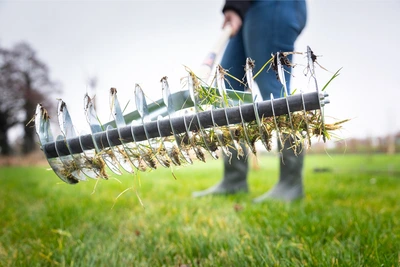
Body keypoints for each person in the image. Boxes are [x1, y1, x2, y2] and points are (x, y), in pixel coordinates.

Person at [192, 0, 307, 201]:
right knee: (227, 92)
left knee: (274, 90)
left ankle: (291, 183)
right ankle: (234, 180)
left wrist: (235, 5)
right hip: (250, 9)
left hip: (274, 5)